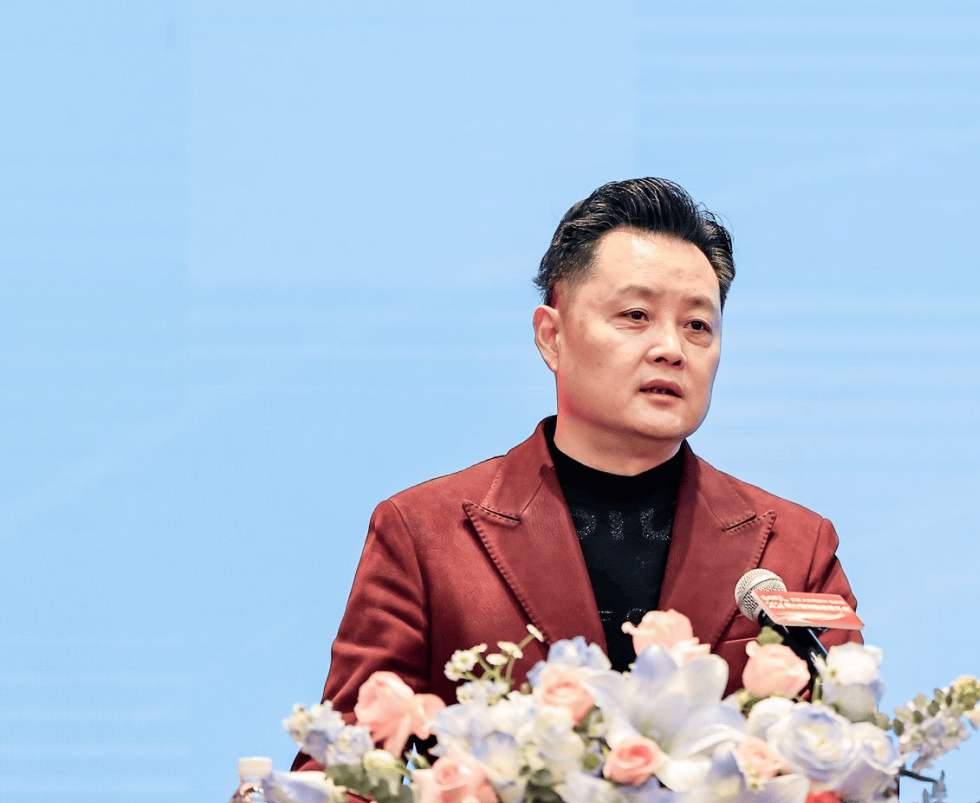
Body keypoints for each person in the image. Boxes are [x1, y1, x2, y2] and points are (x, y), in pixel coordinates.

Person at [308, 178, 861, 739]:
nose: (671, 349)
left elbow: (856, 758)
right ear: (552, 337)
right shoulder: (424, 535)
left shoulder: (795, 549)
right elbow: (344, 768)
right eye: (636, 315)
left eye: (698, 325)